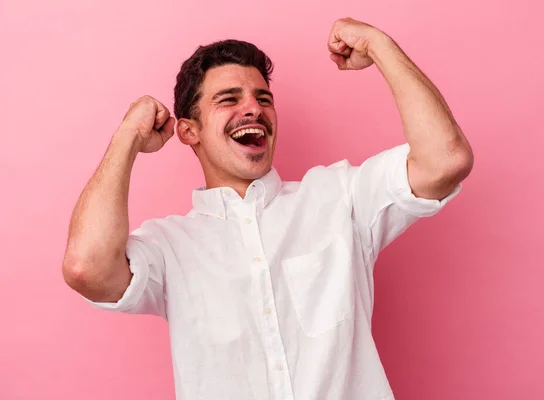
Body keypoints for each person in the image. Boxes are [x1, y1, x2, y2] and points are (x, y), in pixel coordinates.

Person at [62, 17, 473, 400]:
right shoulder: (169, 248)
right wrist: (127, 137)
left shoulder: (339, 197)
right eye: (229, 98)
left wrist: (380, 45)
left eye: (263, 98)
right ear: (189, 131)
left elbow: (445, 161)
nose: (254, 109)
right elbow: (87, 268)